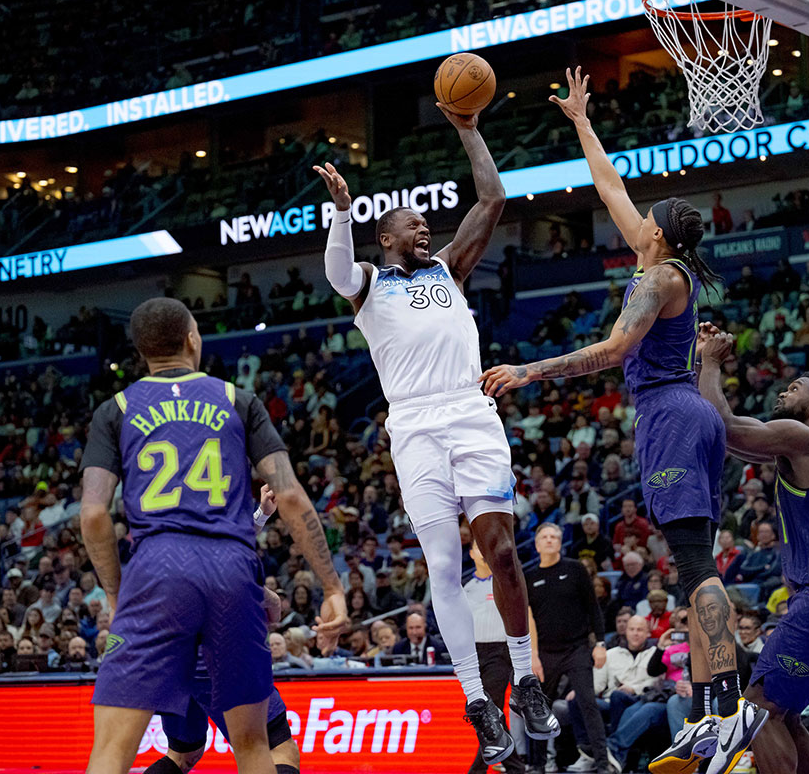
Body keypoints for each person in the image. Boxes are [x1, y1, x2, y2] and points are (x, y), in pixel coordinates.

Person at [480, 67, 754, 774]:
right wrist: (581, 123)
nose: (640, 219)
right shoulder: (658, 258)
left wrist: (530, 370)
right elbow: (612, 187)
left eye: (649, 218)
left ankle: (727, 705)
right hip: (687, 412)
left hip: (670, 409)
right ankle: (702, 711)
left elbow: (611, 350)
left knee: (696, 566)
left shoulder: (662, 278)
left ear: (659, 236)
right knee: (693, 562)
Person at [315, 98, 556, 765]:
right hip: (414, 423)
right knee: (444, 567)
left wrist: (469, 131)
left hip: (470, 408)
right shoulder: (368, 283)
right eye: (412, 224)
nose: (424, 228)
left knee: (502, 554)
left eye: (426, 223)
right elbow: (335, 274)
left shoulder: (449, 268)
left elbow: (494, 197)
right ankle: (478, 701)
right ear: (385, 237)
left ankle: (526, 680)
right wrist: (340, 210)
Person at [79, 298, 348, 774]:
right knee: (253, 746)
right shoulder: (237, 400)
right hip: (231, 567)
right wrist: (331, 586)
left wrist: (118, 595)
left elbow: (95, 513)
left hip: (155, 569)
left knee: (111, 753)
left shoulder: (114, 410)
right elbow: (289, 496)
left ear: (142, 351)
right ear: (191, 338)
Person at [698, 330, 809, 774]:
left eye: (795, 387)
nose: (784, 390)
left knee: (758, 709)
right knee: (786, 712)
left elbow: (725, 426)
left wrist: (710, 363)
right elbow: (735, 442)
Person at [144, 486, 304, 774]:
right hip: (214, 661)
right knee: (278, 751)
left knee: (184, 753)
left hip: (170, 662)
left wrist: (262, 514)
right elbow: (270, 607)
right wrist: (266, 595)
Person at [526, 523, 611, 774]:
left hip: (577, 648)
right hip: (545, 653)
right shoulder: (529, 577)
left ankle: (603, 763)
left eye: (555, 536)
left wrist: (601, 644)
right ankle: (538, 765)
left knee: (588, 703)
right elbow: (527, 620)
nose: (550, 540)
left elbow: (594, 609)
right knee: (539, 709)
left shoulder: (575, 570)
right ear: (537, 544)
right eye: (545, 536)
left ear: (561, 543)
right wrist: (533, 655)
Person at [463, 541, 526, 774]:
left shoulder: (503, 583)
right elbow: (461, 627)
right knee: (488, 714)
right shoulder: (466, 588)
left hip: (500, 651)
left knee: (491, 710)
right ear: (470, 554)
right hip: (473, 654)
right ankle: (514, 765)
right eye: (477, 547)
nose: (482, 550)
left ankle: (479, 769)